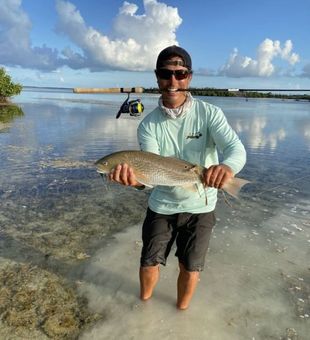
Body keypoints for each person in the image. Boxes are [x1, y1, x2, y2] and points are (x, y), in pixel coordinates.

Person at [109, 45, 246, 310]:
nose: (173, 81)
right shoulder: (148, 125)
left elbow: (235, 149)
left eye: (180, 74)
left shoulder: (210, 114)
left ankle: (181, 311)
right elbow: (149, 173)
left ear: (189, 77)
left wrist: (227, 168)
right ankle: (142, 308)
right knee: (148, 262)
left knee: (190, 266)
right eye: (165, 73)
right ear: (157, 77)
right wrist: (134, 181)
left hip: (201, 207)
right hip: (162, 206)